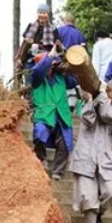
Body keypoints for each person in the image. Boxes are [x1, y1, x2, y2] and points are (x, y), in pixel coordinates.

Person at [69, 79, 112, 223]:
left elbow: (108, 116)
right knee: (87, 196)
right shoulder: (89, 106)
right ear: (108, 92)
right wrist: (97, 100)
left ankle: (98, 214)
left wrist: (104, 99)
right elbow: (88, 119)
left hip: (106, 158)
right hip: (86, 156)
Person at [30, 47, 78, 180]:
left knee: (65, 143)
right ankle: (41, 159)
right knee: (39, 133)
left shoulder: (60, 77)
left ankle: (58, 171)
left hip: (61, 115)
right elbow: (39, 70)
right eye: (49, 64)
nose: (51, 67)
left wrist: (66, 63)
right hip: (44, 114)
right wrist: (51, 55)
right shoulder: (37, 79)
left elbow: (74, 81)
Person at [15, 4, 59, 78]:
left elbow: (56, 46)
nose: (42, 15)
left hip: (45, 61)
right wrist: (19, 57)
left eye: (44, 13)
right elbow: (24, 43)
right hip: (30, 60)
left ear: (47, 15)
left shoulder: (53, 29)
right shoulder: (30, 26)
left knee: (43, 83)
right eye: (40, 13)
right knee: (29, 81)